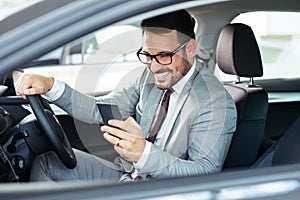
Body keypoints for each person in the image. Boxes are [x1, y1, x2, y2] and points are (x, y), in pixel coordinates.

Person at [16, 10, 237, 182]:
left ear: (190, 49)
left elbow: (205, 173)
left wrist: (144, 155)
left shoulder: (215, 101)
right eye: (147, 55)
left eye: (163, 56)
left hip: (163, 189)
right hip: (128, 175)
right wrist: (52, 86)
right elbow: (99, 109)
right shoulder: (146, 77)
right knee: (48, 164)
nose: (154, 66)